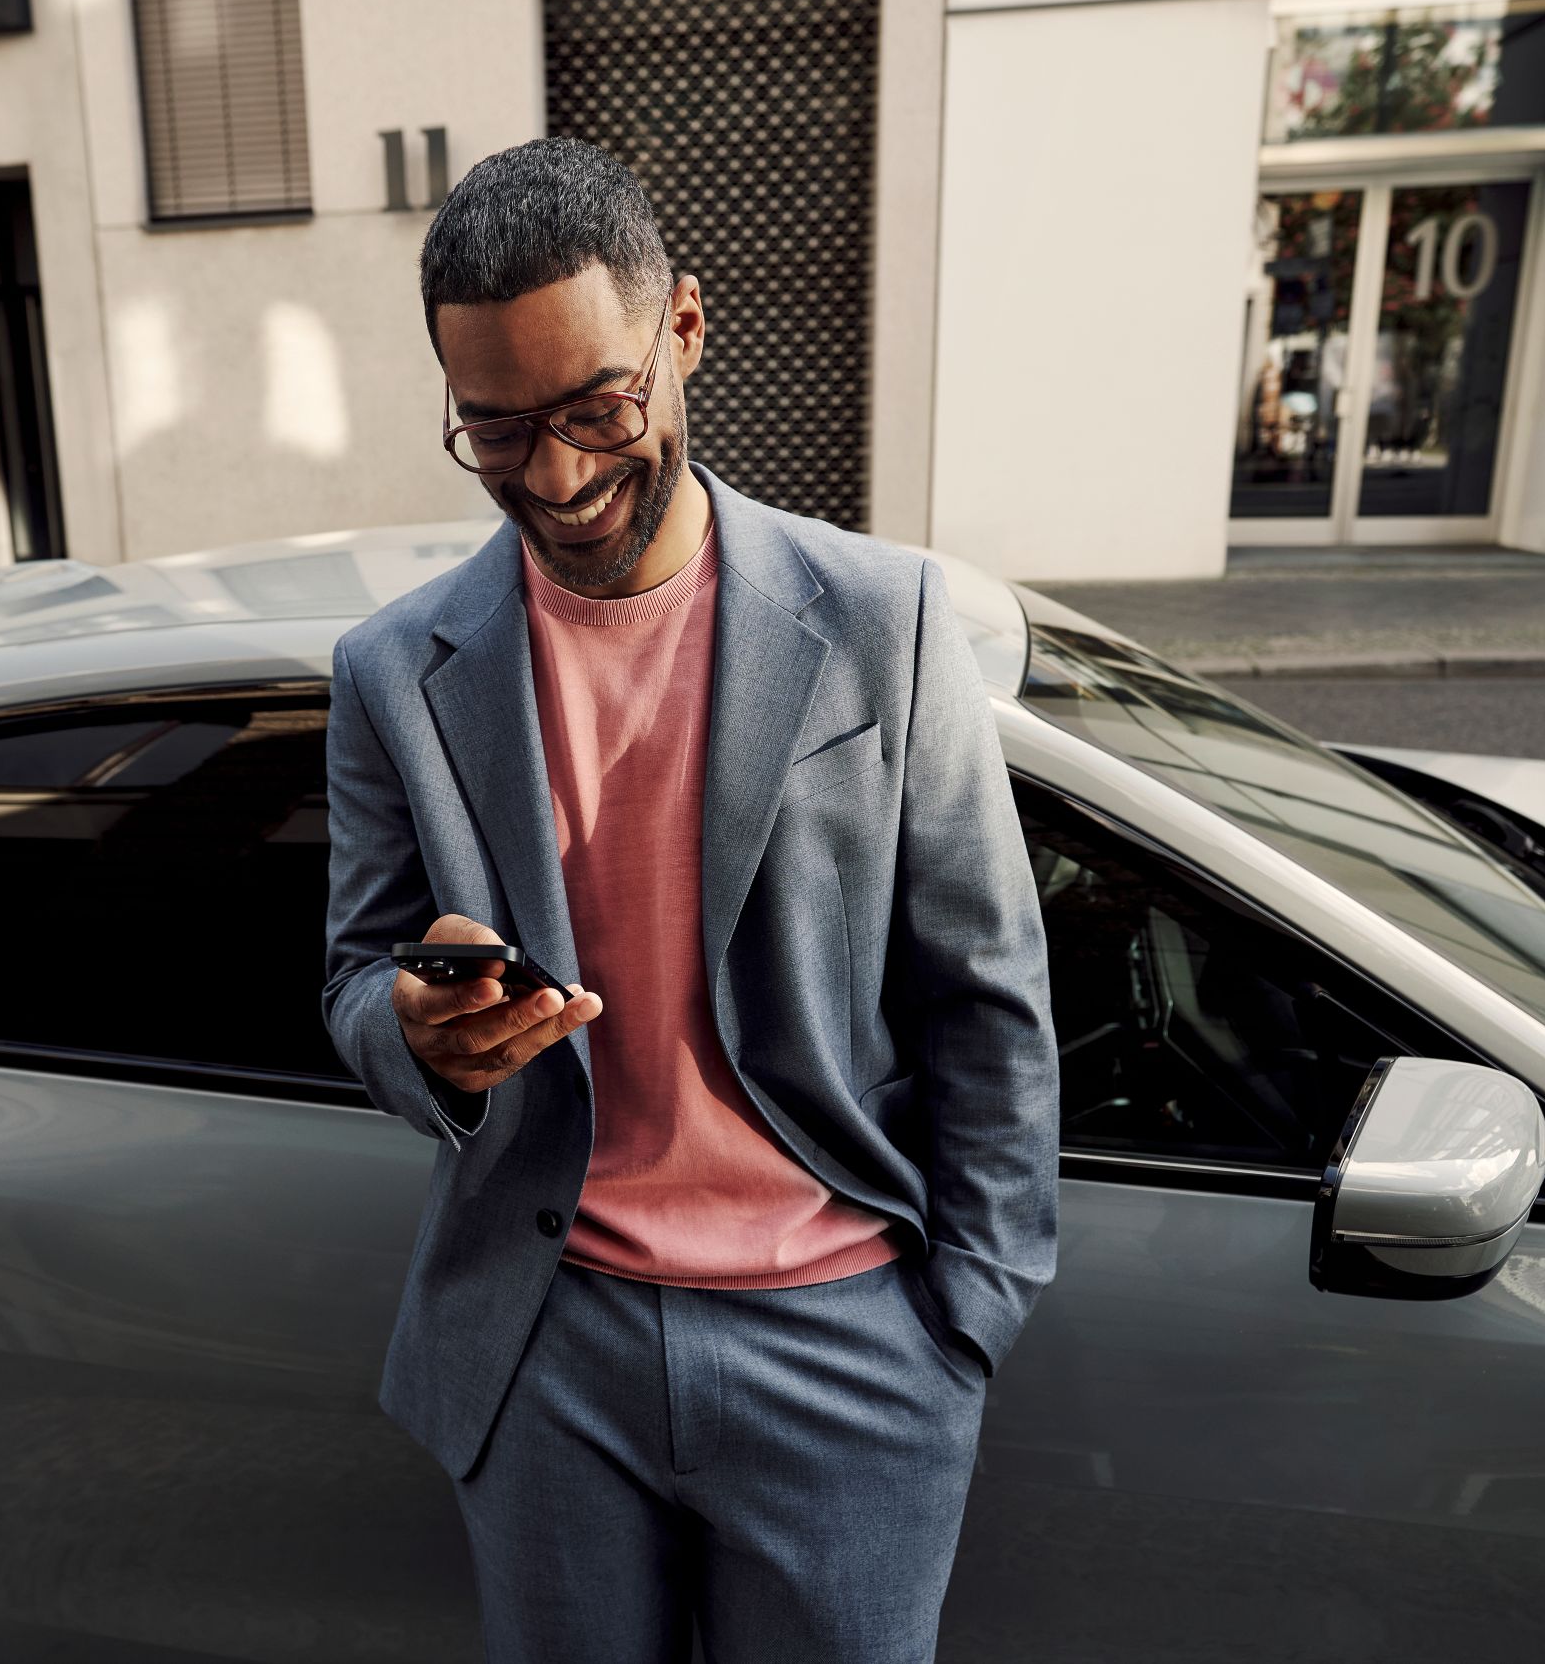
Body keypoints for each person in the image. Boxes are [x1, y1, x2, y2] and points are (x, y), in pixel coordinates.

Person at [319, 136, 1059, 1664]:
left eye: (599, 407)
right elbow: (352, 979)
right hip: (546, 1334)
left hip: (849, 1332)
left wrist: (961, 1322)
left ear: (687, 331)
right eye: (499, 430)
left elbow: (985, 996)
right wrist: (421, 1040)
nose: (564, 473)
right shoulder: (394, 672)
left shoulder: (884, 622)